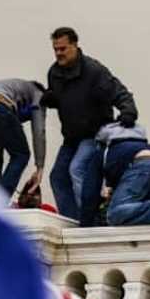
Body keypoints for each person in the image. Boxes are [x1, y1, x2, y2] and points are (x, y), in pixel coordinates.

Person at [43, 27, 137, 226]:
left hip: (94, 134)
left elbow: (118, 91)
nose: (59, 53)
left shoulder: (94, 71)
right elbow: (58, 95)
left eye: (63, 49)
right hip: (71, 137)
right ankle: (72, 221)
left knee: (77, 169)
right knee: (57, 177)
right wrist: (51, 98)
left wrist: (128, 111)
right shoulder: (54, 73)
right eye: (55, 49)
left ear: (75, 46)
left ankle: (90, 219)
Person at [97, 122, 150, 229]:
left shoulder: (111, 149)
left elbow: (92, 190)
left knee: (115, 214)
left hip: (142, 163)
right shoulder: (142, 144)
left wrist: (85, 224)